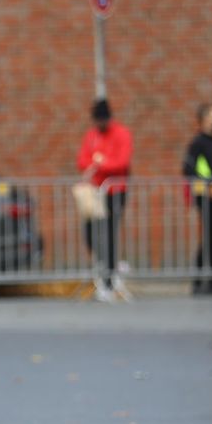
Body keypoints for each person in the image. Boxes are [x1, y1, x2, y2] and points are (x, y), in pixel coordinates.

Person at [76, 98, 132, 302]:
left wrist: (100, 164)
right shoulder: (91, 135)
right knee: (89, 231)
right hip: (94, 191)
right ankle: (107, 264)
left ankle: (109, 279)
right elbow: (82, 160)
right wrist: (95, 163)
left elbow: (122, 162)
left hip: (115, 191)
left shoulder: (121, 133)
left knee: (109, 233)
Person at [183, 103, 212, 296]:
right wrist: (208, 184)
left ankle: (211, 281)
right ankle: (200, 281)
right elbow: (189, 169)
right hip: (207, 198)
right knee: (209, 239)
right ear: (204, 119)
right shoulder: (198, 143)